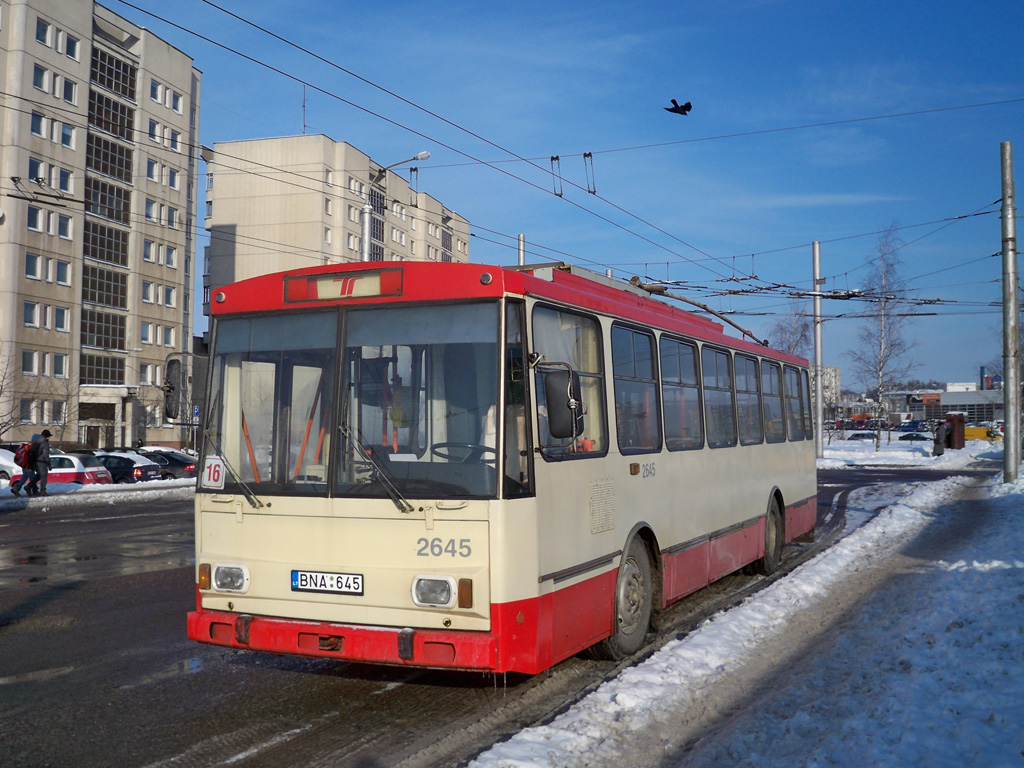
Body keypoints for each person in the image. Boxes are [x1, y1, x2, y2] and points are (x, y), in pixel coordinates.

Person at [29, 430, 51, 496]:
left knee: (39, 475)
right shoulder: (45, 443)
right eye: (49, 436)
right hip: (42, 462)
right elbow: (45, 454)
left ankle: (29, 486)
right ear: (47, 436)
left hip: (35, 460)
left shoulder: (37, 440)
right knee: (44, 476)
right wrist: (48, 464)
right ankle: (43, 491)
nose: (49, 438)